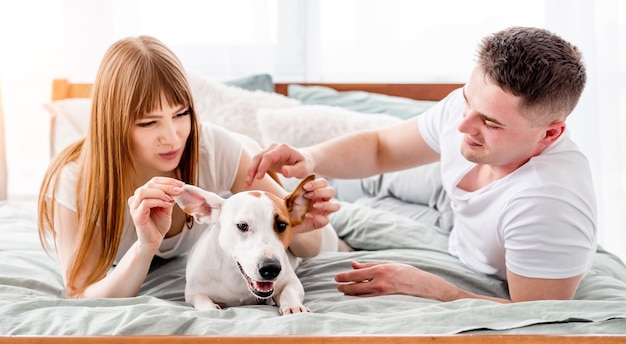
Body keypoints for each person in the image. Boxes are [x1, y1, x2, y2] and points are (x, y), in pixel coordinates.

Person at [246, 26, 597, 303]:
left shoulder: (549, 204)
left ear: (550, 134)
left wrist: (434, 289)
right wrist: (311, 157)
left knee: (348, 210)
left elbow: (540, 317)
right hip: (452, 218)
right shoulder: (468, 112)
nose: (461, 126)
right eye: (466, 100)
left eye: (490, 123)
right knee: (360, 187)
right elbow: (381, 148)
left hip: (468, 233)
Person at [37, 35, 340, 299]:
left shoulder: (212, 148)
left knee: (335, 234)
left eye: (181, 114)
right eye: (149, 122)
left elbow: (311, 246)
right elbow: (81, 294)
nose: (172, 138)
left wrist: (300, 222)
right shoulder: (75, 179)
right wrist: (145, 246)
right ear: (113, 124)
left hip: (238, 155)